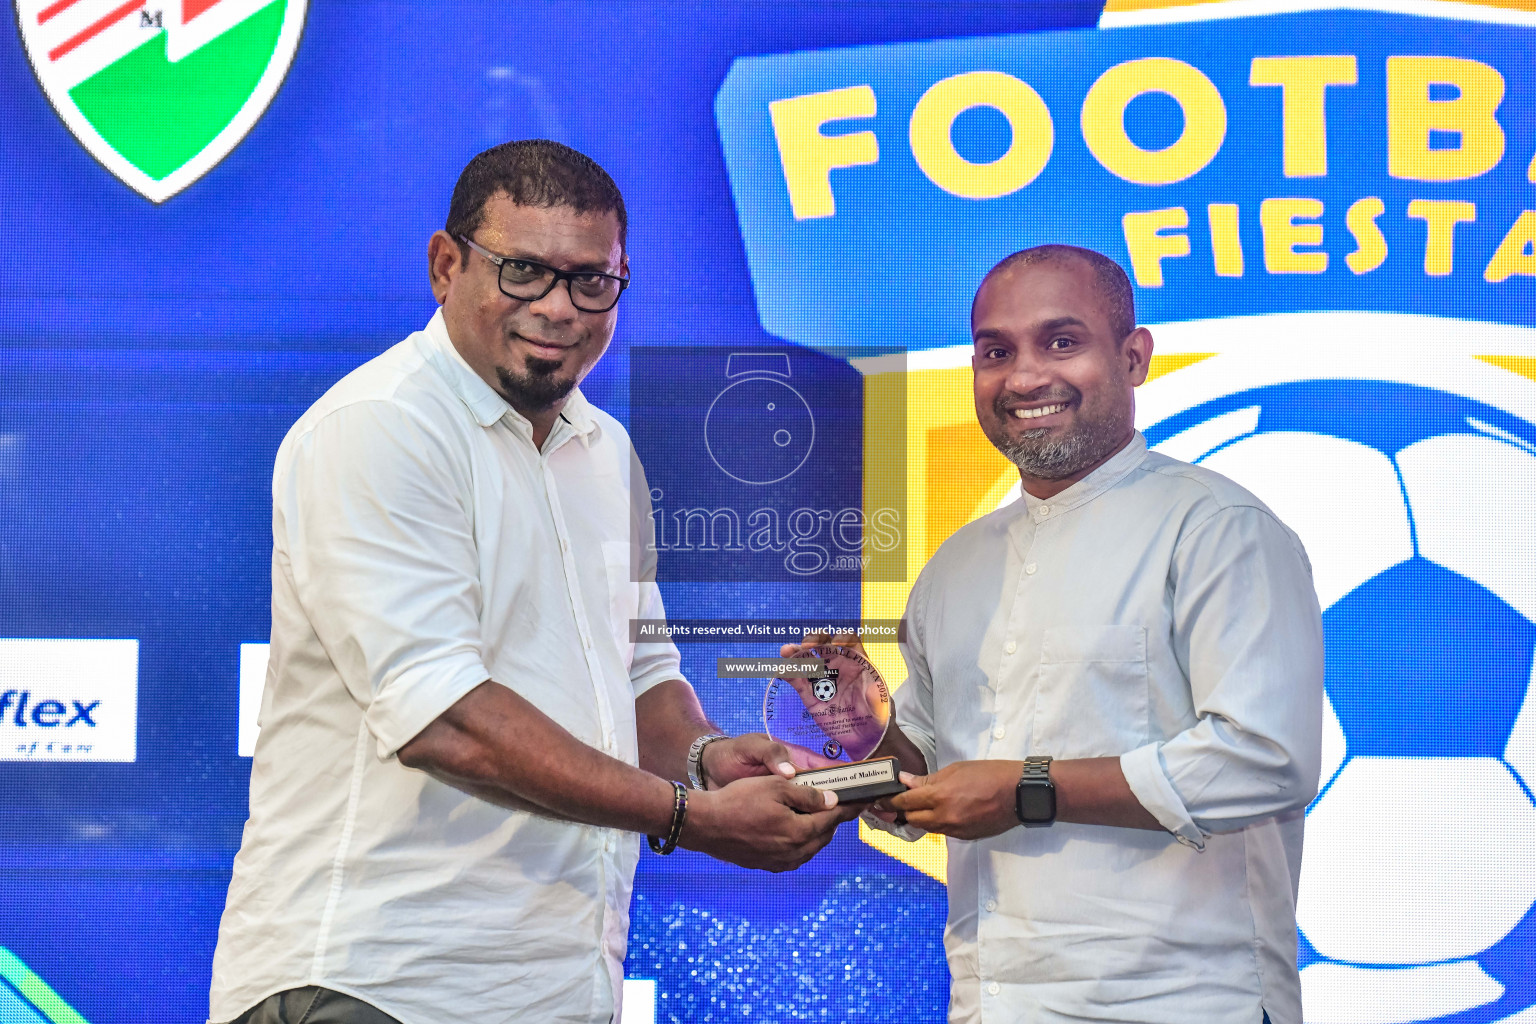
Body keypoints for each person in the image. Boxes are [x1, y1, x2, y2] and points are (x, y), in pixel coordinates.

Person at [208, 140, 850, 1024]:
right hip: (373, 982)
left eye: (591, 281)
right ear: (445, 265)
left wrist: (704, 760)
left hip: (551, 988)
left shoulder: (605, 450)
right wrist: (685, 816)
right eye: (521, 272)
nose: (557, 308)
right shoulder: (378, 429)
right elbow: (447, 720)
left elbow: (638, 681)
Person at [858, 244, 1324, 1023]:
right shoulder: (957, 566)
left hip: (1185, 1003)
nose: (1026, 377)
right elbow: (930, 780)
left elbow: (1264, 759)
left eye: (1062, 342)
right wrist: (856, 734)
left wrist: (1027, 789)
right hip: (991, 1002)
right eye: (995, 352)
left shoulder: (1218, 529)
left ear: (1135, 357)